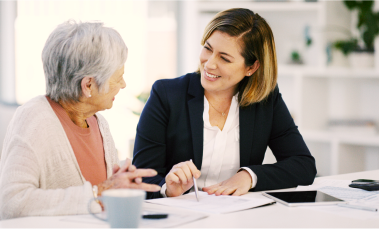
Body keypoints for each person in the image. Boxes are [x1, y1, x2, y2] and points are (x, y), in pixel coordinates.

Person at [133, 8, 317, 199]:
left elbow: (303, 165)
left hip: (239, 217)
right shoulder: (166, 95)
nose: (209, 63)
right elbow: (141, 178)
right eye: (208, 48)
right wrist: (167, 188)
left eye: (224, 58)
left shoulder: (265, 100)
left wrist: (249, 176)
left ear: (251, 67)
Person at [0, 21, 160, 219]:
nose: (123, 84)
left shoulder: (99, 123)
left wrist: (120, 183)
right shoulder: (34, 119)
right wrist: (99, 193)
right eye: (117, 77)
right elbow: (12, 203)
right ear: (88, 85)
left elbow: (97, 199)